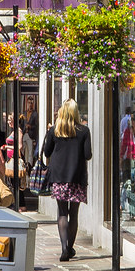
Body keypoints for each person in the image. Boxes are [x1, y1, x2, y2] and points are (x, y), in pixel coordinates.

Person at [44, 99, 92, 262]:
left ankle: (64, 248)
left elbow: (46, 152)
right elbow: (88, 155)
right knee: (74, 214)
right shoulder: (84, 131)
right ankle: (70, 248)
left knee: (62, 212)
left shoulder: (54, 130)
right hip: (77, 177)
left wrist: (49, 133)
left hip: (59, 176)